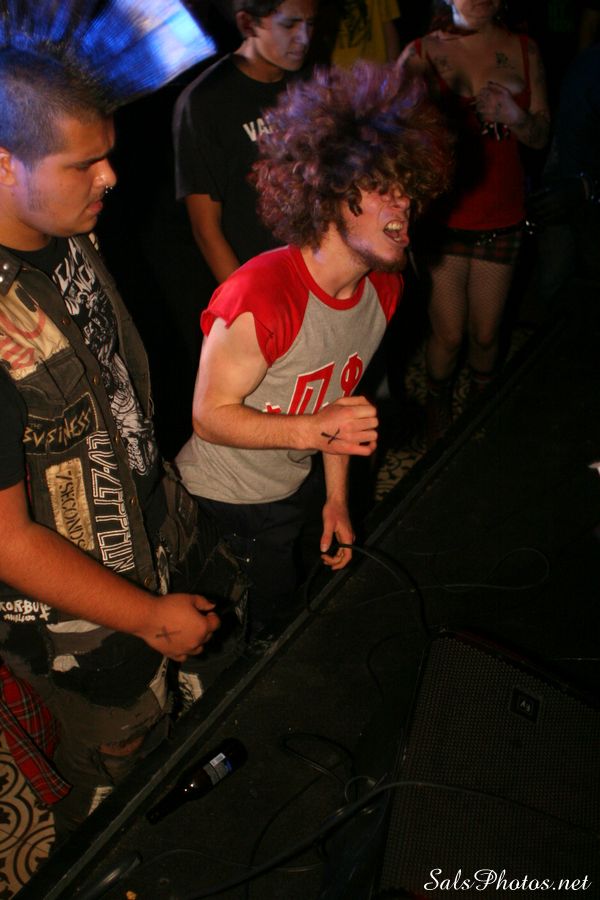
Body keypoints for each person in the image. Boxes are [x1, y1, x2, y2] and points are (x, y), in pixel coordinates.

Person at [0, 48, 221, 839]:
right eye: (83, 164)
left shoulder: (63, 227)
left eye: (109, 155)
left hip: (148, 524)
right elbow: (6, 540)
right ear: (4, 165)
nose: (111, 178)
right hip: (80, 615)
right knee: (114, 771)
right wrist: (147, 616)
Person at [175, 61, 452, 644]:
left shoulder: (383, 288)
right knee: (237, 643)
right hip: (221, 503)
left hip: (292, 488)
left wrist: (336, 499)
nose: (404, 204)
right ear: (331, 193)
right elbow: (208, 416)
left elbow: (339, 405)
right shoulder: (262, 293)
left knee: (287, 615)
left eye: (408, 186)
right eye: (383, 186)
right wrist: (313, 431)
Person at [399, 0, 550, 446]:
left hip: (500, 215)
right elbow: (391, 140)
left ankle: (482, 410)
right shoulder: (420, 54)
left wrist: (516, 117)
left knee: (485, 334)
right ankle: (438, 407)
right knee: (447, 335)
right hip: (443, 220)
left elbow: (542, 137)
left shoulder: (525, 50)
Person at [173, 0, 317, 287]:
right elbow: (206, 227)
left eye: (310, 24)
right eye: (289, 24)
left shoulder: (314, 81)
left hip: (330, 271)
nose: (304, 38)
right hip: (270, 282)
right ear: (247, 23)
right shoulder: (204, 103)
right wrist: (248, 300)